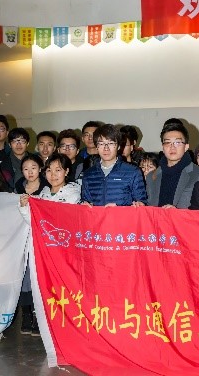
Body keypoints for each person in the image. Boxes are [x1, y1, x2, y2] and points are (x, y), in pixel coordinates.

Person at [17, 154, 81, 338]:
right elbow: (33, 222)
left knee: (65, 287)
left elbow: (66, 221)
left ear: (66, 172)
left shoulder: (73, 194)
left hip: (64, 251)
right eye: (49, 170)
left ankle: (66, 325)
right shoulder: (43, 194)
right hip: (44, 251)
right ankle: (46, 321)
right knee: (46, 287)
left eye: (58, 170)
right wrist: (24, 208)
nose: (53, 175)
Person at [80, 125, 146, 206]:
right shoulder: (88, 174)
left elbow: (141, 205)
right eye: (101, 144)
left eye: (111, 143)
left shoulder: (133, 172)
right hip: (97, 215)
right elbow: (85, 202)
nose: (106, 148)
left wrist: (118, 209)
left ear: (118, 146)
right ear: (96, 146)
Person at [146, 122, 199, 209]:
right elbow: (149, 207)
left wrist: (177, 213)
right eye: (167, 143)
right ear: (163, 147)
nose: (172, 147)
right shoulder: (151, 176)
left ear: (186, 147)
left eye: (177, 142)